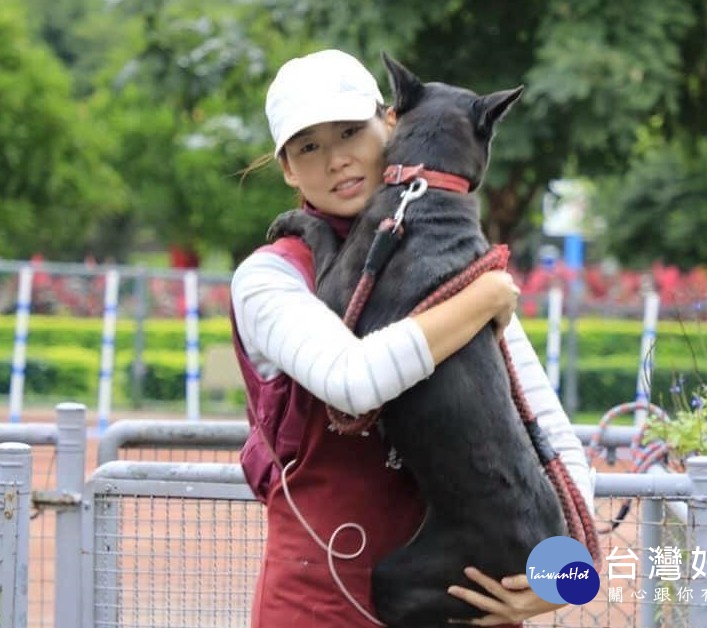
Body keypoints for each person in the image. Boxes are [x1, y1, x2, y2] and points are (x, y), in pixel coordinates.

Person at [231, 49, 595, 627]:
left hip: (455, 604)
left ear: (392, 124)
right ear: (288, 171)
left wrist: (566, 579)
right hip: (320, 606)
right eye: (309, 147)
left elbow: (548, 435)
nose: (338, 159)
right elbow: (352, 381)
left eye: (352, 131)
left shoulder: (456, 259)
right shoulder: (269, 277)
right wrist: (481, 299)